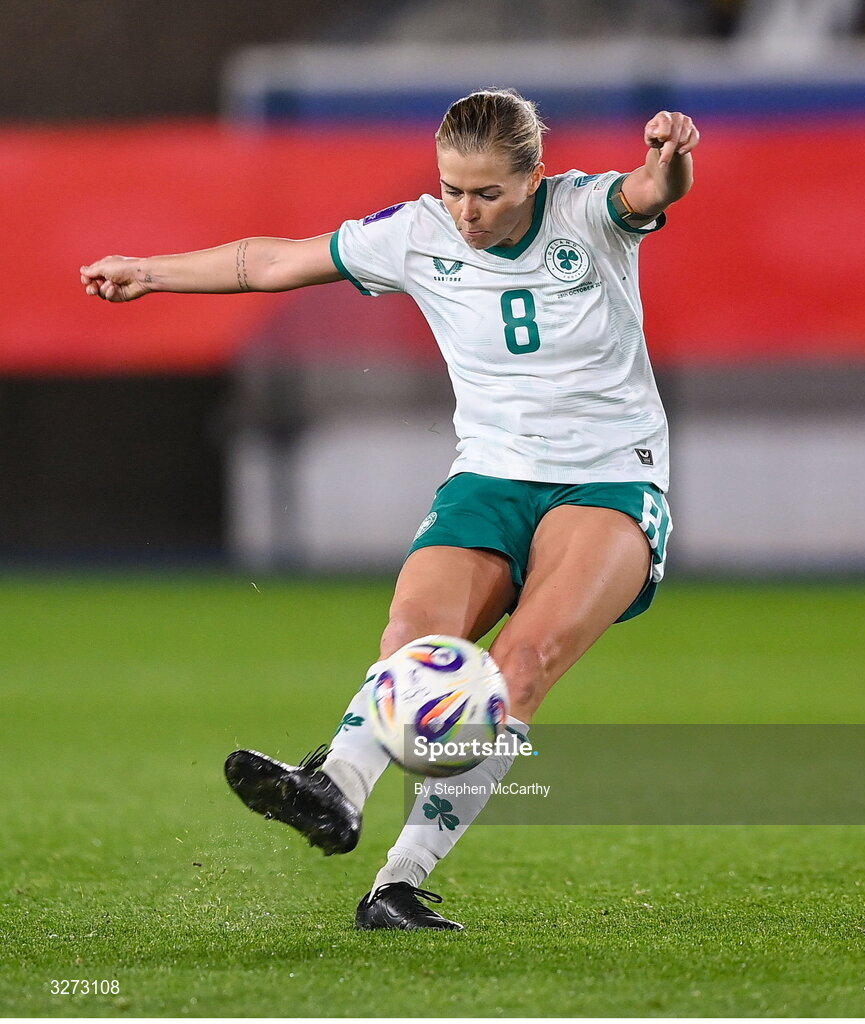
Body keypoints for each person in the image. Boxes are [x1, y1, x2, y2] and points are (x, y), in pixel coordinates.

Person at [81, 89, 699, 931]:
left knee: (518, 665)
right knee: (412, 643)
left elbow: (649, 193)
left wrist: (669, 159)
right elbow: (271, 262)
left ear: (533, 178)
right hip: (488, 477)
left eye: (488, 193)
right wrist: (149, 273)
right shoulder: (416, 233)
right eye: (452, 188)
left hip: (609, 480)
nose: (466, 211)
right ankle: (332, 788)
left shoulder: (587, 212)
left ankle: (398, 882)